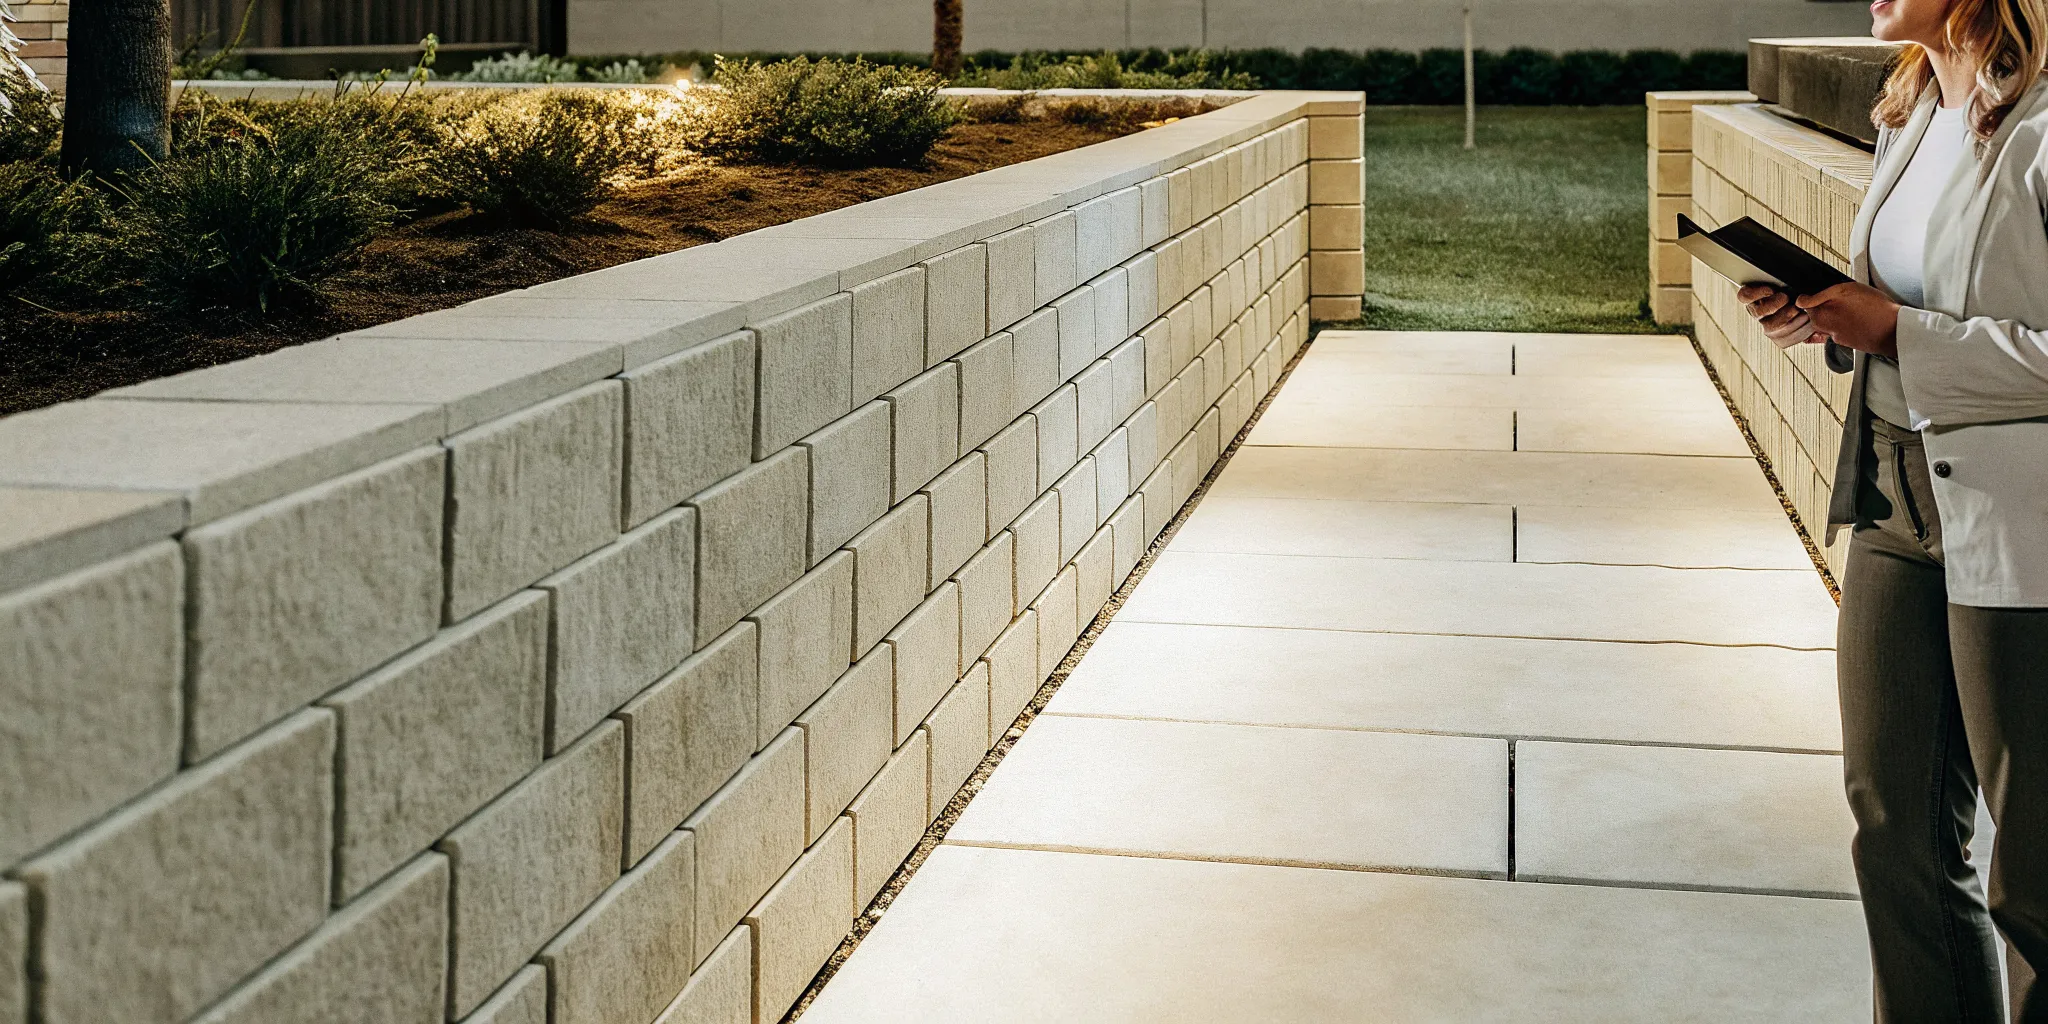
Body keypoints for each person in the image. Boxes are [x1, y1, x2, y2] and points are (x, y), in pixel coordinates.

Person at [1737, 0, 2048, 1019]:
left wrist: (1896, 333)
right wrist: (1828, 316)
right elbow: (1900, 307)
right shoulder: (1909, 114)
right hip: (1888, 493)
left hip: (2020, 529)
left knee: (2035, 873)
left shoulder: (2040, 125)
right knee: (1893, 828)